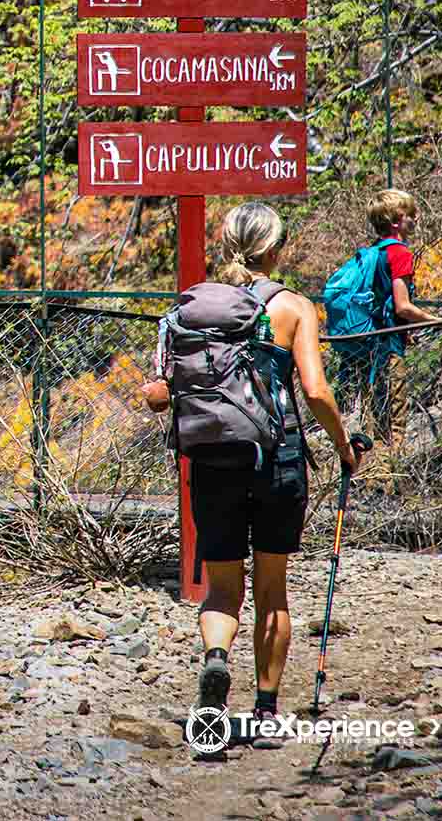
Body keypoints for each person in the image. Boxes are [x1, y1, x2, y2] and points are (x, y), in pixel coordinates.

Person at [139, 202, 364, 744]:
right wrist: (342, 447)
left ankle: (217, 657)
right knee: (271, 588)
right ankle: (265, 711)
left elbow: (159, 393)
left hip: (212, 460)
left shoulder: (190, 309)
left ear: (227, 245)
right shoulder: (293, 307)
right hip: (278, 459)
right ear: (275, 248)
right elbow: (313, 389)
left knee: (221, 590)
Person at [360, 188, 442, 452]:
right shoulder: (399, 253)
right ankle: (390, 482)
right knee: (395, 422)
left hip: (368, 344)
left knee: (376, 419)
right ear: (397, 220)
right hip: (390, 348)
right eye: (411, 215)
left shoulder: (373, 251)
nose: (416, 219)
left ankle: (375, 473)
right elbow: (403, 306)